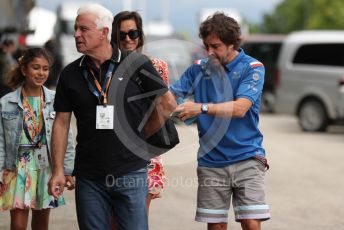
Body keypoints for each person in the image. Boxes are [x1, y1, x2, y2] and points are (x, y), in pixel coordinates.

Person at [47, 4, 176, 230]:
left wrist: (141, 137)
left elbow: (167, 104)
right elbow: (61, 122)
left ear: (104, 33)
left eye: (83, 29)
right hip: (89, 177)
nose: (76, 34)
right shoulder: (70, 73)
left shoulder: (136, 64)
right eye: (76, 29)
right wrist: (58, 169)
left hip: (131, 171)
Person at [170, 12, 270, 230]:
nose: (209, 52)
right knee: (215, 227)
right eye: (206, 46)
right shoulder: (198, 68)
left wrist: (200, 108)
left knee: (251, 223)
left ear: (233, 44)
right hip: (211, 161)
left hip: (247, 157)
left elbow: (240, 108)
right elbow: (171, 97)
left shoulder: (253, 68)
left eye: (215, 46)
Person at [0, 47, 75, 230]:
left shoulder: (56, 100)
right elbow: (1, 140)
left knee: (41, 225)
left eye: (45, 68)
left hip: (45, 166)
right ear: (24, 70)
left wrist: (67, 170)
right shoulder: (6, 102)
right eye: (36, 67)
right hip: (17, 167)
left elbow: (67, 136)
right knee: (18, 225)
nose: (41, 73)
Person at [111, 10, 168, 217]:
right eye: (122, 35)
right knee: (113, 219)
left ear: (140, 35)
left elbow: (163, 108)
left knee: (137, 218)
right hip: (111, 147)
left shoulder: (158, 67)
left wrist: (141, 138)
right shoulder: (106, 67)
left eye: (132, 34)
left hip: (145, 148)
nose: (128, 39)